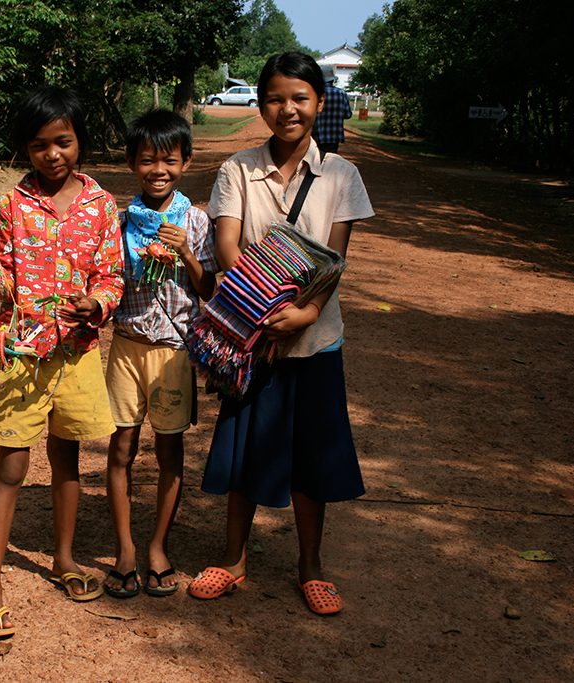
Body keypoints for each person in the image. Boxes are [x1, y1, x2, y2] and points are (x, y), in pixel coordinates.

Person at [188, 52, 374, 616]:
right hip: (252, 336)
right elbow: (226, 244)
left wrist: (308, 313)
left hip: (314, 340)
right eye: (275, 98)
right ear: (262, 104)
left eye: (299, 98)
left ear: (319, 103)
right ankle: (233, 558)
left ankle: (311, 565)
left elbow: (333, 261)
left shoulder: (340, 175)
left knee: (313, 457)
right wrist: (259, 307)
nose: (286, 109)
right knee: (244, 448)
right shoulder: (237, 170)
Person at [0, 86, 125, 637]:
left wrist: (96, 304)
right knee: (10, 466)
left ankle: (63, 559)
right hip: (21, 354)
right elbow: (0, 287)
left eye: (63, 141)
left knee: (67, 460)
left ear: (79, 141)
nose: (52, 154)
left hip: (77, 354)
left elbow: (113, 277)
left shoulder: (102, 206)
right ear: (26, 151)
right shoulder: (12, 204)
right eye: (39, 146)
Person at [102, 110, 217, 599]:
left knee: (170, 450)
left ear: (185, 163)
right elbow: (104, 281)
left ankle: (158, 547)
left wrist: (187, 253)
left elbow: (209, 288)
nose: (158, 170)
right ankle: (126, 548)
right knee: (121, 449)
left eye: (168, 160)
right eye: (147, 160)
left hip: (173, 352)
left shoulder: (195, 220)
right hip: (126, 347)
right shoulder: (119, 221)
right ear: (132, 164)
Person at [312, 64, 353, 155]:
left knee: (316, 160)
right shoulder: (342, 93)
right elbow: (348, 115)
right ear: (333, 79)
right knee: (330, 162)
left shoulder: (316, 93)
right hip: (334, 136)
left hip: (318, 135)